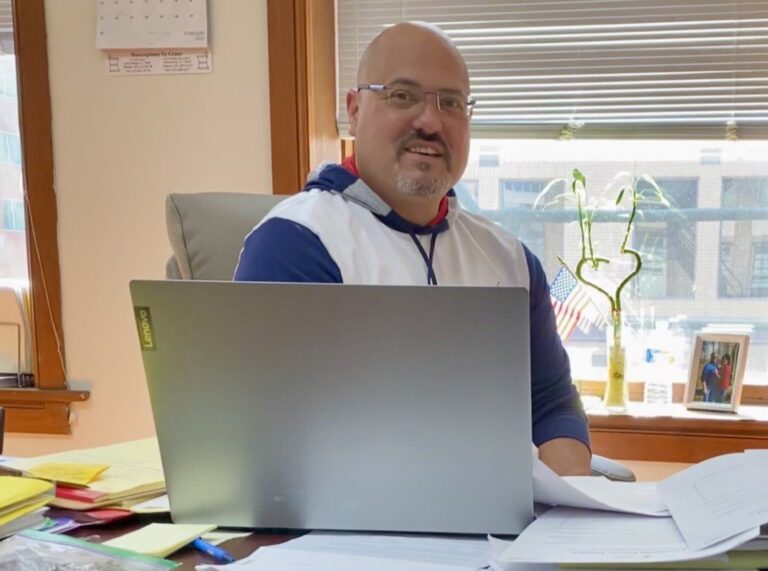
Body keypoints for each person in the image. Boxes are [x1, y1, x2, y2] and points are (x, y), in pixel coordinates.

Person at [234, 22, 591, 476]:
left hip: (508, 526)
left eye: (451, 103)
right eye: (402, 95)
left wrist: (568, 513)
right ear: (354, 110)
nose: (430, 121)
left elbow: (552, 403)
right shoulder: (296, 244)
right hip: (354, 537)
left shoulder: (511, 260)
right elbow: (282, 449)